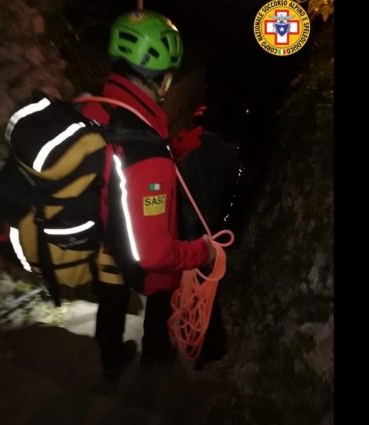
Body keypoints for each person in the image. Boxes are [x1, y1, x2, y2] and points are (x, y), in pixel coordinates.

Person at [79, 9, 216, 380]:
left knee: (112, 297)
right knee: (161, 282)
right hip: (131, 244)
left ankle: (111, 359)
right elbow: (156, 254)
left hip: (102, 237)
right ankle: (154, 357)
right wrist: (203, 252)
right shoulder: (146, 151)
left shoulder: (92, 106)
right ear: (164, 79)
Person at [170, 103, 241, 370]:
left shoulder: (192, 154)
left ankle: (203, 347)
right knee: (210, 286)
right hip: (216, 228)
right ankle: (213, 344)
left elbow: (182, 191)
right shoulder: (230, 153)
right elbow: (233, 185)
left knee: (197, 289)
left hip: (194, 228)